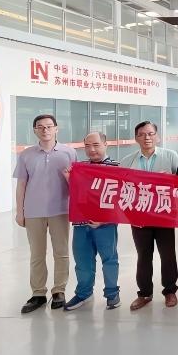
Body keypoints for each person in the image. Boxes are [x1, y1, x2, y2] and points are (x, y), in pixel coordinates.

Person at [14, 114, 77, 313]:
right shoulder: (26, 155)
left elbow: (77, 184)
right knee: (37, 254)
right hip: (33, 211)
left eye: (49, 126)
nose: (45, 130)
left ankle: (59, 291)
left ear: (56, 129)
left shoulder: (69, 153)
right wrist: (20, 211)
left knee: (61, 252)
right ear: (35, 130)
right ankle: (38, 294)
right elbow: (21, 184)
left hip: (60, 210)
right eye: (40, 127)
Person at [120, 121, 178, 310]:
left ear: (157, 136)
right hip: (139, 217)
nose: (147, 137)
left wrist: (170, 179)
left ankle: (170, 291)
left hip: (164, 214)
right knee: (143, 255)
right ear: (136, 138)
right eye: (142, 134)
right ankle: (145, 293)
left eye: (151, 133)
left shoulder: (170, 156)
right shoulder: (127, 161)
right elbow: (121, 189)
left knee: (168, 254)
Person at [63, 132, 121, 311]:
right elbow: (77, 195)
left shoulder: (117, 168)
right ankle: (84, 293)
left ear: (105, 144)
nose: (92, 149)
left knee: (109, 259)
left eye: (96, 145)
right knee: (82, 261)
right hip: (81, 223)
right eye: (87, 146)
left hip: (106, 224)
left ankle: (112, 293)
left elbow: (120, 199)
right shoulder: (79, 168)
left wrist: (104, 219)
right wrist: (69, 180)